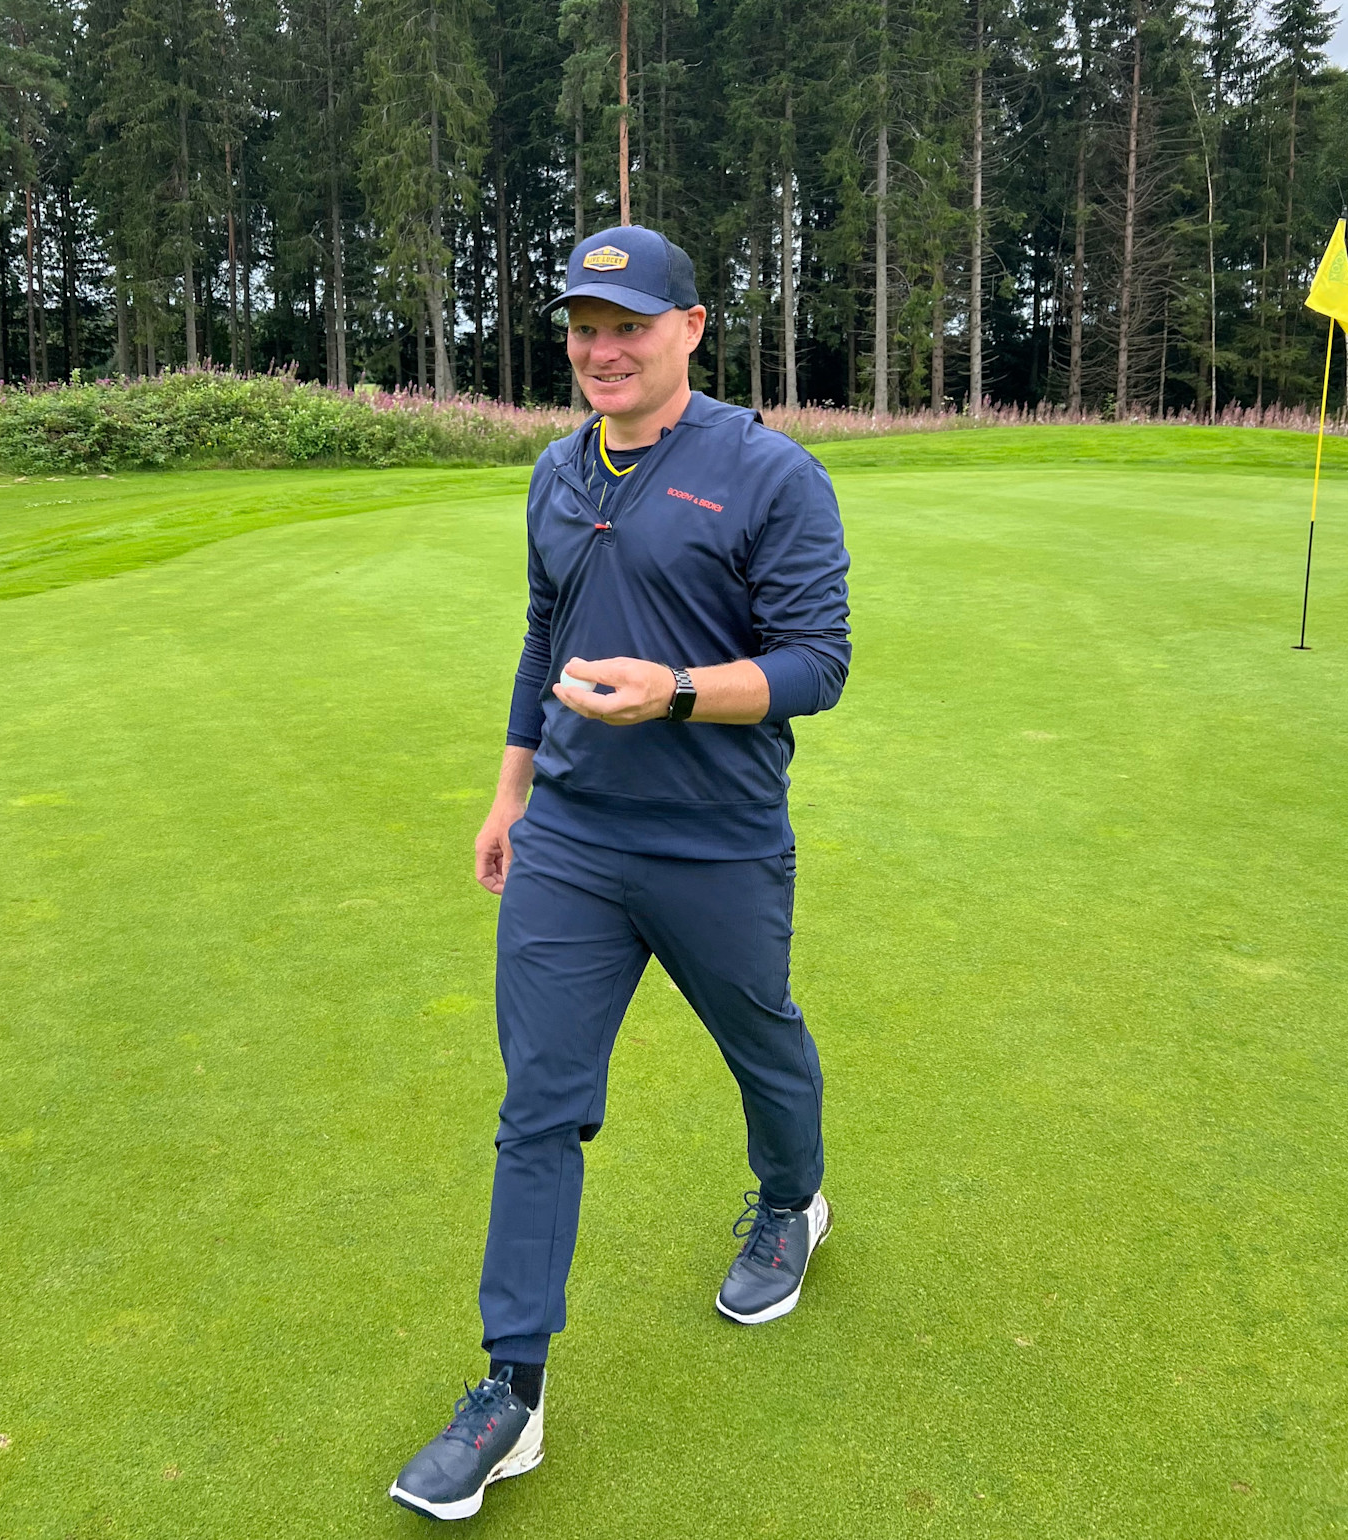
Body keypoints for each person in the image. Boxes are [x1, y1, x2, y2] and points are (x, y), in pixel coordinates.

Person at [389, 224, 852, 1521]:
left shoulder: (770, 475)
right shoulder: (552, 471)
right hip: (576, 844)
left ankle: (788, 1203)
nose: (602, 350)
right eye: (584, 330)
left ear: (691, 328)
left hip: (718, 840)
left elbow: (818, 661)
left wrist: (685, 692)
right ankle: (511, 1393)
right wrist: (510, 793)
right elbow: (546, 633)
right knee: (539, 1104)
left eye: (628, 325)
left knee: (763, 1040)